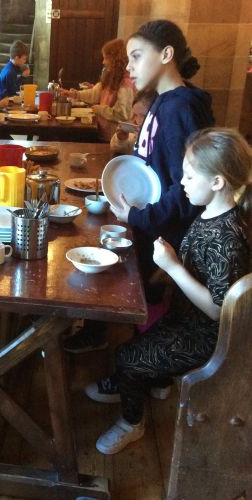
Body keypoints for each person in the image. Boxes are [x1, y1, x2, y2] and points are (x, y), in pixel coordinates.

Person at [92, 128, 250, 455]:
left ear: (217, 182)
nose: (181, 183)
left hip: (208, 337)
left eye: (190, 176)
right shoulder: (209, 213)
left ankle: (132, 422)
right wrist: (166, 272)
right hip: (184, 317)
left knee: (127, 357)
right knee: (133, 341)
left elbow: (219, 311)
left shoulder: (228, 239)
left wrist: (174, 267)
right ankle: (154, 380)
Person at [65, 20, 215, 356]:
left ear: (166, 54)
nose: (129, 67)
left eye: (136, 56)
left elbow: (187, 190)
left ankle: (146, 368)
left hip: (164, 235)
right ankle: (119, 343)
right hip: (148, 223)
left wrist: (138, 215)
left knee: (149, 300)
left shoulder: (180, 108)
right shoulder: (161, 102)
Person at [62, 38, 135, 142]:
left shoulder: (126, 83)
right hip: (104, 133)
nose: (103, 62)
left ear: (115, 59)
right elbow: (94, 94)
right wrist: (74, 94)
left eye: (106, 58)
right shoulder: (110, 77)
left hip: (115, 138)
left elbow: (123, 115)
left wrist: (99, 109)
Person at [110, 89, 156, 155]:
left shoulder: (162, 138)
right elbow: (115, 149)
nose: (138, 121)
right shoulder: (134, 133)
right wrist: (121, 139)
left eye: (144, 116)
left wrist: (144, 143)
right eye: (136, 115)